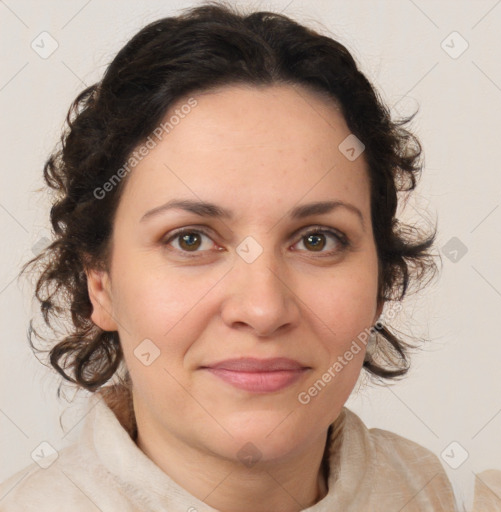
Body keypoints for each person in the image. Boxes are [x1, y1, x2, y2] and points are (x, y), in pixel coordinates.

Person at [0, 1, 466, 510]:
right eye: (190, 240)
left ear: (380, 279)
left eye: (317, 240)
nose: (263, 310)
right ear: (100, 283)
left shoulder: (438, 494)